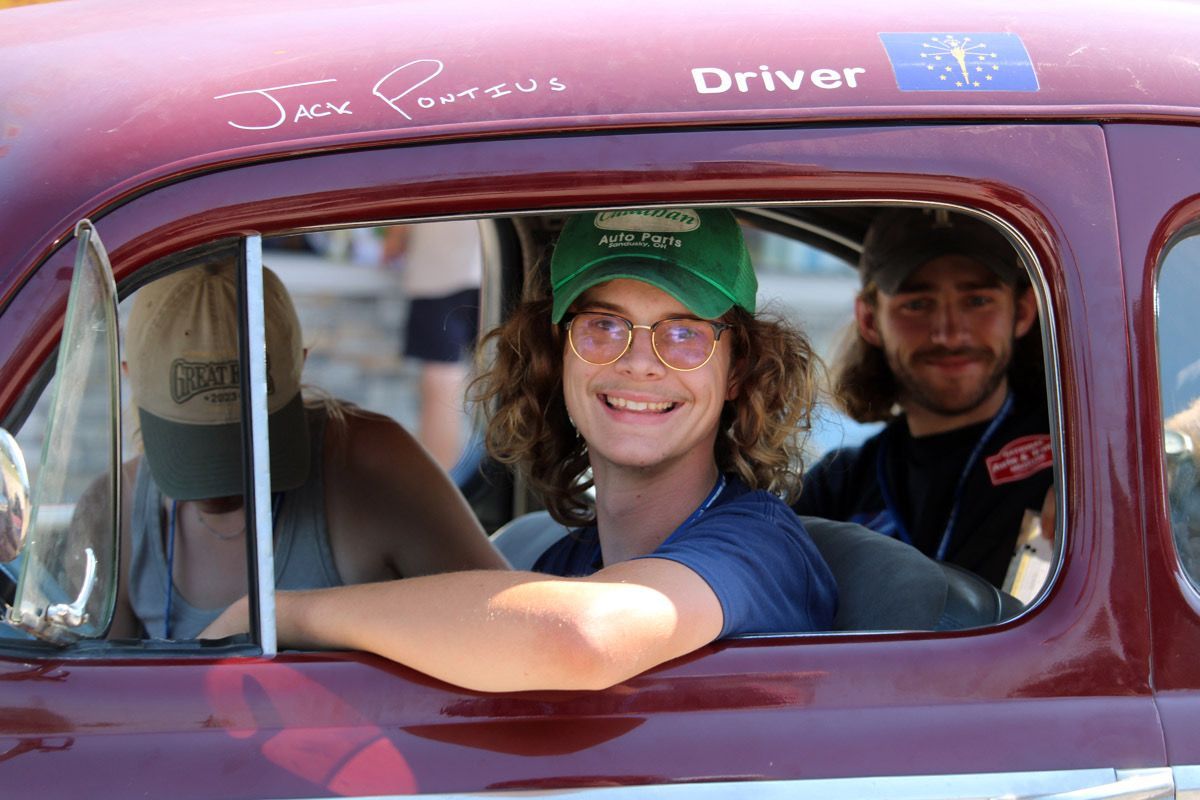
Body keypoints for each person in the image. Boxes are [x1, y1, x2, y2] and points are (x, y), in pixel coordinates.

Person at [202, 207, 837, 692]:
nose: (640, 363)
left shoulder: (758, 545)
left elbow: (580, 639)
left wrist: (284, 613)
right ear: (553, 356)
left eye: (685, 333)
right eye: (603, 326)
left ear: (736, 370)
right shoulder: (567, 560)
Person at [109, 259, 507, 639]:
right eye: (198, 440)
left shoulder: (370, 468)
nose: (224, 480)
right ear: (130, 379)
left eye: (249, 437)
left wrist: (291, 616)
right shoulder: (118, 510)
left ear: (299, 368)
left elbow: (506, 622)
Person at [793, 207, 1053, 588]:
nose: (949, 334)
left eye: (978, 301)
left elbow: (1169, 443)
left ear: (1024, 311)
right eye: (917, 304)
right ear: (869, 320)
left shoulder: (1078, 458)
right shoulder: (838, 486)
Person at [383, 221, 483, 469]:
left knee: (441, 379)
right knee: (498, 375)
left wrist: (394, 240)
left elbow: (394, 241)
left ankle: (442, 480)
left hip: (439, 270)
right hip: (490, 267)